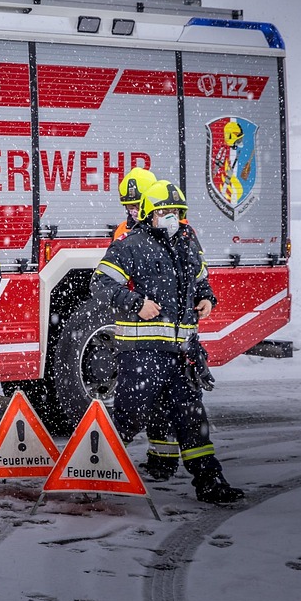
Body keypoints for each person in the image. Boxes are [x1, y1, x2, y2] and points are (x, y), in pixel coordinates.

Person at [91, 180, 244, 504]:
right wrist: (136, 303)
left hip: (182, 352)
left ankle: (210, 482)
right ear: (149, 214)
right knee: (128, 418)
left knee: (191, 418)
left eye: (175, 211)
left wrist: (206, 298)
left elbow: (200, 279)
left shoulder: (188, 241)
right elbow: (100, 284)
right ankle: (89, 476)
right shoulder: (130, 244)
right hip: (143, 352)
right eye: (163, 211)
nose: (170, 216)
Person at [109, 167, 179, 481]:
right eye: (127, 206)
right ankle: (152, 459)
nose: (132, 211)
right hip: (137, 328)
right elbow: (112, 278)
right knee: (140, 398)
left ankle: (159, 460)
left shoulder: (176, 234)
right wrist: (132, 302)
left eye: (137, 205)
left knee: (157, 399)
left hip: (164, 330)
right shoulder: (125, 233)